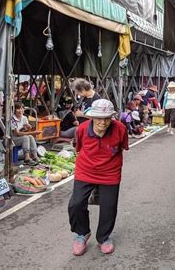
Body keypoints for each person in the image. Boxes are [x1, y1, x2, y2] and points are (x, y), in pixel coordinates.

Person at [68, 99, 129, 256]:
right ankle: (82, 233)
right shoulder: (81, 129)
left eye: (107, 118)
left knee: (109, 206)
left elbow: (122, 147)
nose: (103, 122)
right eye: (99, 118)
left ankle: (103, 237)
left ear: (112, 117)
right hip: (85, 170)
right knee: (76, 204)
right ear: (92, 117)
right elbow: (79, 148)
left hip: (110, 172)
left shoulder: (120, 129)